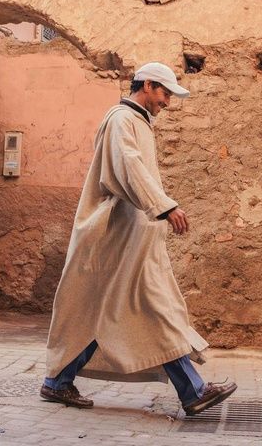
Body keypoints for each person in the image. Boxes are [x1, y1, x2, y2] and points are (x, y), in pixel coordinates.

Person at [41, 62, 237, 416]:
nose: (167, 102)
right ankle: (193, 392)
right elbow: (130, 168)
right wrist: (164, 206)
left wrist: (158, 211)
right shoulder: (122, 120)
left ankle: (58, 382)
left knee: (119, 311)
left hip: (135, 236)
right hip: (118, 236)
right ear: (146, 85)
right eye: (164, 93)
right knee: (150, 307)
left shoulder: (137, 122)